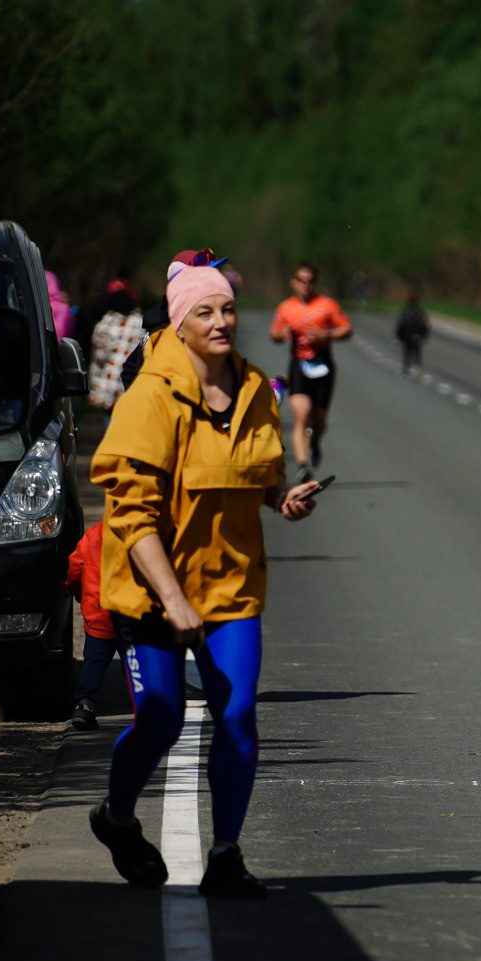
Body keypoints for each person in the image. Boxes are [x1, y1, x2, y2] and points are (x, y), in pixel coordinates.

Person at [87, 255, 322, 899]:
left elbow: (257, 474)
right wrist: (171, 599)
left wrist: (282, 499)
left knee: (238, 715)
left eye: (227, 310)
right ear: (179, 322)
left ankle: (225, 855)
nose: (222, 321)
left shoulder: (251, 390)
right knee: (160, 719)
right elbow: (131, 517)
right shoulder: (151, 397)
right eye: (205, 312)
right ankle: (117, 817)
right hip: (151, 590)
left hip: (230, 587)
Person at [269, 261, 350, 482]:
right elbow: (274, 334)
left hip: (323, 363)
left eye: (310, 281)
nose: (306, 285)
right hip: (298, 365)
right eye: (301, 281)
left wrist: (327, 335)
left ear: (315, 282)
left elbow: (346, 329)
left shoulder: (327, 305)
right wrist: (282, 333)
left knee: (319, 417)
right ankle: (302, 465)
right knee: (302, 415)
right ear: (294, 282)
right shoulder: (286, 308)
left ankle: (314, 442)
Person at [65, 518, 120, 732]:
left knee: (94, 663)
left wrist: (79, 593)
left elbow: (75, 569)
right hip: (131, 613)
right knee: (135, 664)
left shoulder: (95, 533)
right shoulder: (141, 530)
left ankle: (84, 706)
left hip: (98, 611)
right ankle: (144, 705)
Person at [85, 280, 142, 412]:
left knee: (111, 425)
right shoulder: (141, 323)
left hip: (109, 387)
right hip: (133, 386)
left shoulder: (104, 325)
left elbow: (98, 358)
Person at [395, 294, 431, 378]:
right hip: (417, 337)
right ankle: (418, 369)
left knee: (407, 354)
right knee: (417, 354)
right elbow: (425, 325)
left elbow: (401, 325)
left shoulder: (405, 312)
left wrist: (398, 336)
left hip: (407, 337)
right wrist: (424, 336)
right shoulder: (420, 312)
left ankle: (406, 370)